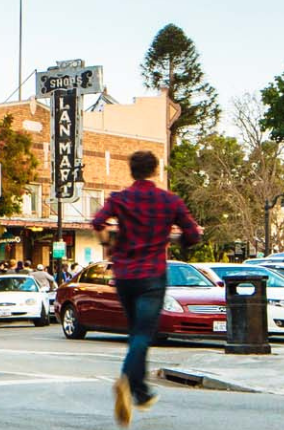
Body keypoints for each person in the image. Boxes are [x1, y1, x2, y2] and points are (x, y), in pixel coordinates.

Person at [90, 150, 201, 427]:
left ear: (131, 171)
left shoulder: (120, 199)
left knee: (135, 333)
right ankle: (127, 381)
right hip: (152, 274)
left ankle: (140, 392)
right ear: (155, 170)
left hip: (125, 273)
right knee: (142, 334)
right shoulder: (169, 201)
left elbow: (97, 222)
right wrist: (177, 239)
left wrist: (108, 244)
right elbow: (193, 234)